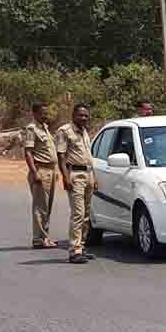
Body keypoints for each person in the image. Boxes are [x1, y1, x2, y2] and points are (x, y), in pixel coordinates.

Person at [56, 104, 96, 264]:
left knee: (86, 215)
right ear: (73, 115)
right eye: (81, 115)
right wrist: (65, 177)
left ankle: (81, 246)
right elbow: (61, 156)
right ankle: (74, 250)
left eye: (86, 115)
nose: (84, 118)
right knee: (78, 214)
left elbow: (88, 157)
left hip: (88, 174)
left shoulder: (84, 131)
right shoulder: (65, 131)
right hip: (75, 175)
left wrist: (94, 177)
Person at [23, 102, 58, 249]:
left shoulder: (45, 128)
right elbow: (28, 152)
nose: (46, 115)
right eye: (43, 113)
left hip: (50, 170)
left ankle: (44, 237)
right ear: (35, 113)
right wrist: (34, 172)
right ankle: (39, 239)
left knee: (47, 206)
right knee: (40, 207)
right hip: (40, 170)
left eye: (46, 113)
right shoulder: (32, 129)